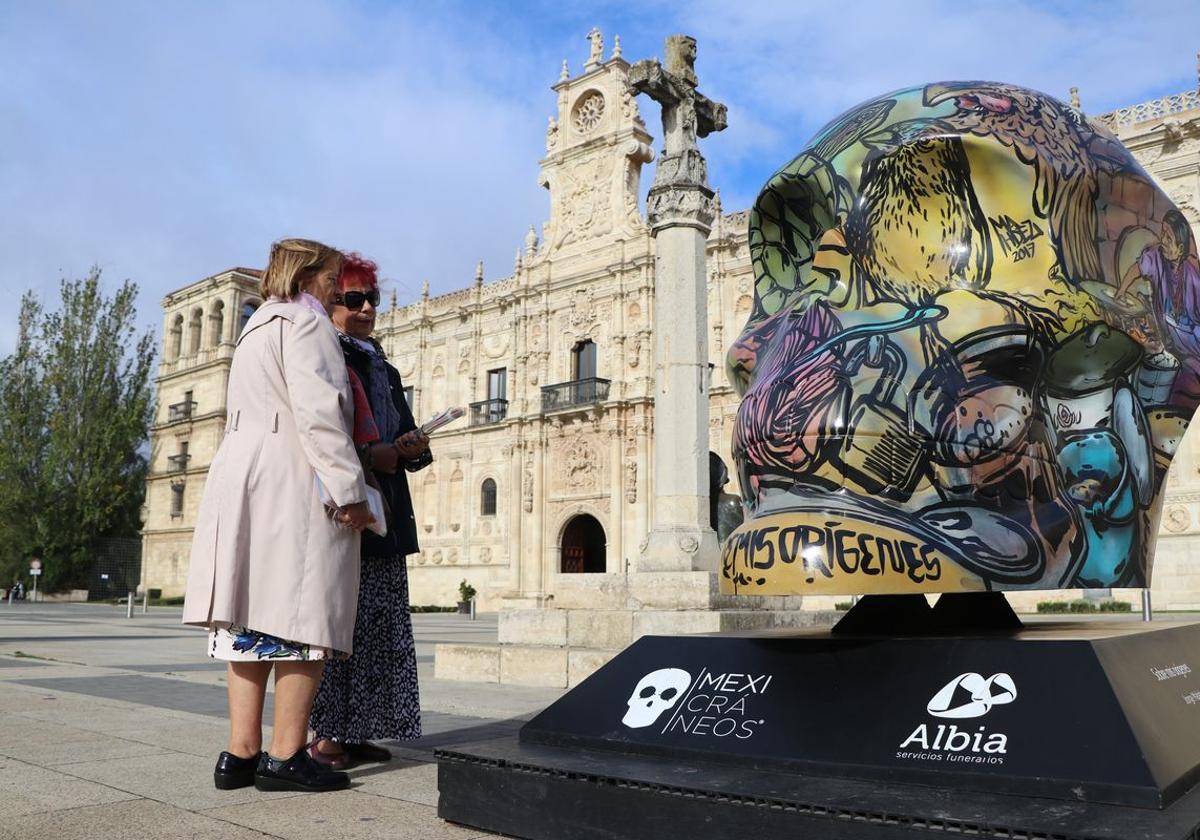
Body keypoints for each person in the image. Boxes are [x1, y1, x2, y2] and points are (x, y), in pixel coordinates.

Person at [182, 238, 374, 793]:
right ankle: (287, 754)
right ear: (310, 276)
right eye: (335, 278)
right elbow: (320, 419)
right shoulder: (308, 324)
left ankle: (239, 754)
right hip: (292, 480)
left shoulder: (257, 326)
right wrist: (350, 493)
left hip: (242, 479)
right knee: (303, 616)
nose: (339, 289)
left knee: (248, 618)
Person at [309, 253, 430, 767]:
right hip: (346, 508)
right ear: (332, 304)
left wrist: (412, 445)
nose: (364, 309)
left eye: (371, 300)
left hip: (387, 509)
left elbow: (406, 437)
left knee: (381, 627)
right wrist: (370, 455)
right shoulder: (326, 358)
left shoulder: (385, 367)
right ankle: (327, 735)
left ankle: (360, 731)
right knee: (342, 624)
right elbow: (317, 437)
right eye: (352, 300)